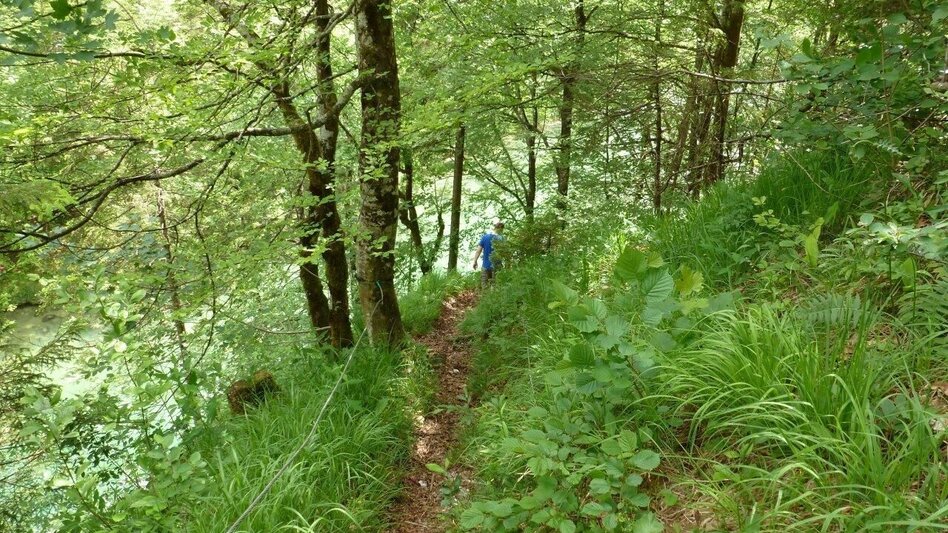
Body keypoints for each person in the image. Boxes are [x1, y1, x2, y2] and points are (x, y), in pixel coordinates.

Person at [473, 218, 504, 287]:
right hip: (497, 267)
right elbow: (506, 253)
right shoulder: (502, 239)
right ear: (501, 228)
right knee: (496, 288)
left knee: (485, 288)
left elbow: (478, 250)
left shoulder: (485, 237)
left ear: (494, 227)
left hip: (485, 267)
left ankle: (485, 297)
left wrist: (475, 261)